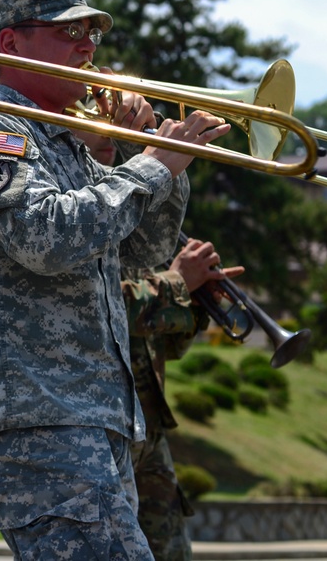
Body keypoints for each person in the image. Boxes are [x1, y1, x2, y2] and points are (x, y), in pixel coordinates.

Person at [0, 0, 230, 559]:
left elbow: (143, 253)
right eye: (70, 31)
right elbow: (44, 238)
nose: (89, 45)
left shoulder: (69, 145)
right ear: (9, 45)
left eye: (91, 30)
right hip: (37, 414)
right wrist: (151, 169)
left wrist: (160, 160)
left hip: (90, 416)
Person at [79, 130, 243, 561]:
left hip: (147, 427)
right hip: (100, 424)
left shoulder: (138, 222)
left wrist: (202, 300)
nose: (112, 139)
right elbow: (100, 306)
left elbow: (164, 346)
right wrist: (176, 283)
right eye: (101, 133)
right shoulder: (82, 214)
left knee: (171, 551)